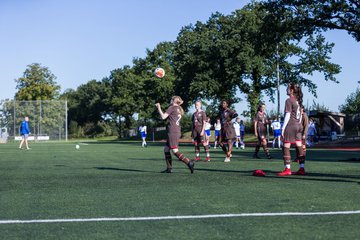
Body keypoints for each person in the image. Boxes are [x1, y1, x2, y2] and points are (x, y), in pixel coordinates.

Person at [155, 96, 194, 173]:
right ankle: (169, 168)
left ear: (173, 101)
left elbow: (163, 117)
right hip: (176, 130)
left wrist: (159, 107)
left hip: (173, 131)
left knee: (175, 150)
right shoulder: (179, 108)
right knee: (166, 149)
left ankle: (189, 162)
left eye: (171, 99)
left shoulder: (172, 107)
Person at [278, 83, 305, 176]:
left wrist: (283, 127)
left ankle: (287, 169)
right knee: (299, 145)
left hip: (291, 125)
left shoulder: (289, 100)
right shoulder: (299, 101)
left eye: (288, 88)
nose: (286, 90)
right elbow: (301, 116)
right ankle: (302, 168)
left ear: (292, 90)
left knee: (286, 146)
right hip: (298, 125)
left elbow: (288, 115)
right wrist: (299, 124)